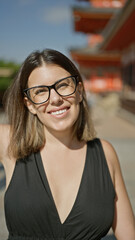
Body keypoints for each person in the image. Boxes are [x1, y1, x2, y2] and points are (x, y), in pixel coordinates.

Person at [0, 49, 135, 240]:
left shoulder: (104, 153)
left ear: (79, 91)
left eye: (62, 85)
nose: (55, 99)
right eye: (40, 91)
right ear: (29, 104)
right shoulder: (9, 142)